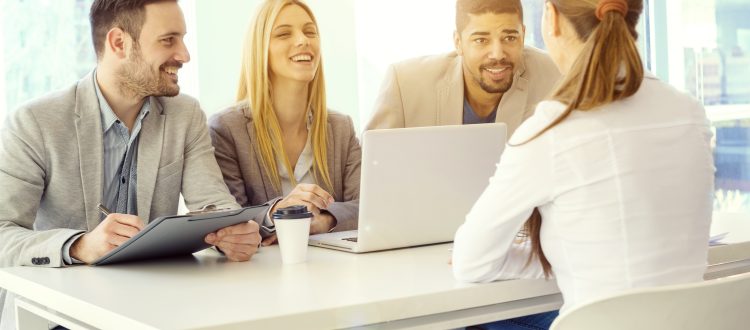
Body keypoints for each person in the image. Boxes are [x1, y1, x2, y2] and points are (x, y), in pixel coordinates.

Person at [452, 0, 713, 329]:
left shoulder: (551, 128)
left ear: (552, 19)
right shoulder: (690, 112)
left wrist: (558, 257)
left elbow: (472, 262)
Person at [0, 0, 261, 326]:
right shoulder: (34, 122)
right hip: (56, 318)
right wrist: (80, 246)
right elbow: (3, 233)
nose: (184, 54)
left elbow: (214, 206)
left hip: (151, 310)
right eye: (169, 40)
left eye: (183, 38)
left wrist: (234, 234)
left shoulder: (185, 115)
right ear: (119, 43)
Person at [209, 0, 361, 246]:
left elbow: (368, 206)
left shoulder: (341, 127)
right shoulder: (226, 128)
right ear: (260, 50)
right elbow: (227, 218)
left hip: (333, 272)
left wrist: (322, 221)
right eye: (283, 34)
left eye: (310, 31)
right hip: (258, 276)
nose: (303, 40)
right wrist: (279, 214)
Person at [365, 0, 560, 137]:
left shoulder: (556, 76)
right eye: (481, 40)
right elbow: (373, 170)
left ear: (523, 35)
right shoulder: (405, 84)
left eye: (509, 38)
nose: (498, 54)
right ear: (458, 42)